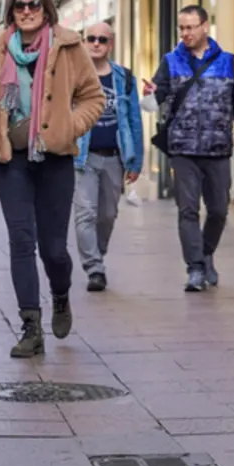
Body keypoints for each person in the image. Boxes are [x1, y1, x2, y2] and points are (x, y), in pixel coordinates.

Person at [0, 0, 105, 358]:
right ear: (11, 12)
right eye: (19, 5)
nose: (27, 10)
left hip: (54, 159)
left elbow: (93, 97)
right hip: (10, 158)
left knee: (53, 250)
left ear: (46, 9)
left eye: (33, 4)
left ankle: (60, 294)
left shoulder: (68, 46)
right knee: (20, 240)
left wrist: (68, 127)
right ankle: (30, 325)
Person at [152, 5, 234, 292]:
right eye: (182, 28)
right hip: (182, 149)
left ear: (205, 27)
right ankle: (195, 268)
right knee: (187, 210)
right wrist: (151, 95)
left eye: (191, 27)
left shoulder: (227, 61)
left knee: (219, 211)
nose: (186, 33)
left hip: (218, 148)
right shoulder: (170, 61)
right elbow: (156, 97)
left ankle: (206, 251)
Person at [73, 22, 143, 292]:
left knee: (108, 214)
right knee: (85, 214)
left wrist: (135, 161)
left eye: (102, 39)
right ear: (83, 41)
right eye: (91, 38)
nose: (96, 43)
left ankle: (97, 255)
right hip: (83, 156)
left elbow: (134, 119)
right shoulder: (73, 77)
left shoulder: (123, 77)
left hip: (115, 157)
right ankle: (94, 268)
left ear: (110, 43)